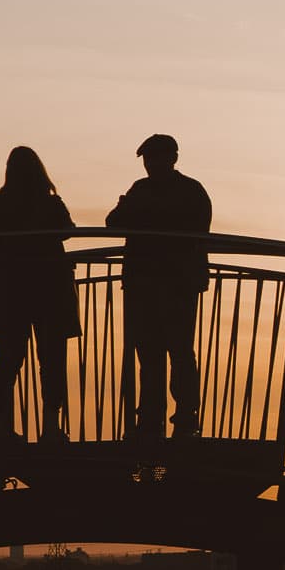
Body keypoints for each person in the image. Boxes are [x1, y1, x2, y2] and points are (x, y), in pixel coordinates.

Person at [106, 133, 211, 443]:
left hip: (169, 283)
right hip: (157, 283)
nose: (151, 165)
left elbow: (117, 221)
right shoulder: (181, 190)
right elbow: (114, 222)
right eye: (148, 160)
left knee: (172, 351)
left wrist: (135, 212)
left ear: (172, 158)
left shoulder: (167, 191)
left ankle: (175, 417)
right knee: (157, 352)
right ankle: (164, 417)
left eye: (155, 158)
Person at [0, 147, 79, 443]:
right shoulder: (50, 203)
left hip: (13, 288)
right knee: (51, 359)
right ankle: (50, 427)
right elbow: (67, 231)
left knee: (9, 357)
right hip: (49, 287)